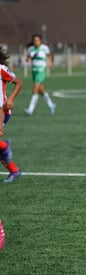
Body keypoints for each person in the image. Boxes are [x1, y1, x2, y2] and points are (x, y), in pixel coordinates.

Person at [0, 47, 22, 183]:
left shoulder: (1, 69)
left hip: (1, 111)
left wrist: (11, 99)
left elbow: (18, 82)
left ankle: (4, 147)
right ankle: (14, 171)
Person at [24, 34, 56, 116]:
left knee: (35, 89)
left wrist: (50, 62)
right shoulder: (31, 49)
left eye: (37, 40)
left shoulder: (44, 48)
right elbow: (27, 59)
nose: (36, 42)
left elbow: (49, 56)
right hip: (34, 71)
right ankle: (51, 105)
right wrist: (29, 58)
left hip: (41, 71)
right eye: (34, 40)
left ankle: (30, 109)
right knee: (41, 90)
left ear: (40, 40)